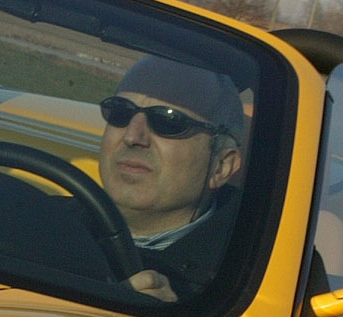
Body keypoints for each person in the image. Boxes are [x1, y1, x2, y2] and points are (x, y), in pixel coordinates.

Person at [92, 57, 244, 301]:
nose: (133, 136)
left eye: (168, 121)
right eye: (121, 112)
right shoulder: (45, 222)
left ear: (221, 167)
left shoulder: (254, 277)